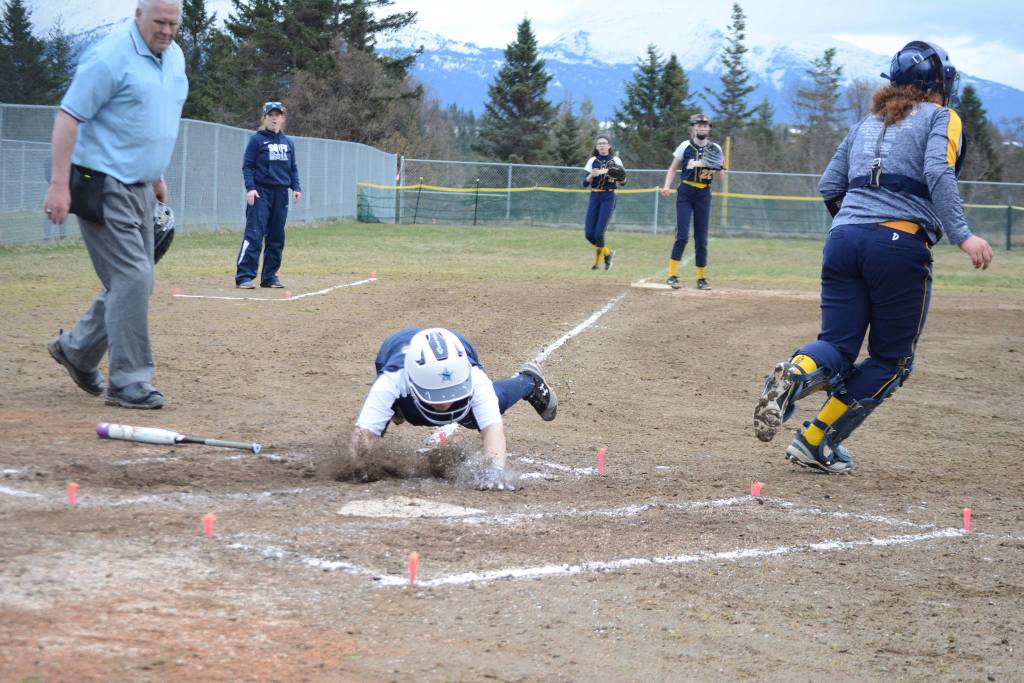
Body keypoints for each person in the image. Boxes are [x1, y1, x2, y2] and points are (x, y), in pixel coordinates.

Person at [753, 40, 994, 474]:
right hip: (898, 245)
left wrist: (856, 223)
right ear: (938, 84)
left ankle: (796, 373)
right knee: (891, 361)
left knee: (837, 346)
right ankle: (815, 440)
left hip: (843, 239)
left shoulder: (866, 122)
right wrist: (963, 235)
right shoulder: (944, 117)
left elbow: (830, 186)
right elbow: (939, 171)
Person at [42, 0, 188, 409]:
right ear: (137, 15)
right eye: (159, 22)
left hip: (140, 186)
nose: (166, 31)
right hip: (101, 183)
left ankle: (77, 350)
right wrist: (58, 184)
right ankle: (128, 382)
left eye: (173, 23)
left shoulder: (173, 56)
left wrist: (156, 174)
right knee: (134, 277)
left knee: (134, 279)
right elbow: (68, 117)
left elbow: (154, 118)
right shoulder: (109, 57)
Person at [350, 327, 558, 491]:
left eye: (451, 392)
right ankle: (397, 408)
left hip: (456, 350)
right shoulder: (392, 378)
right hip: (397, 349)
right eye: (436, 395)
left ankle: (529, 382)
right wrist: (359, 464)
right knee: (371, 444)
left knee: (483, 410)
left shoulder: (475, 378)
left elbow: (493, 431)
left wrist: (494, 472)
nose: (443, 403)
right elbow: (364, 433)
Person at [234, 101, 302, 289]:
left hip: (281, 195)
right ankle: (244, 276)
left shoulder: (288, 142)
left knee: (276, 237)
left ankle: (270, 277)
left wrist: (296, 188)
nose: (274, 118)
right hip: (261, 193)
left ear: (282, 118)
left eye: (277, 115)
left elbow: (293, 168)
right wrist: (250, 188)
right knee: (254, 234)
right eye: (270, 115)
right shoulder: (256, 140)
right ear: (264, 118)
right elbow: (247, 166)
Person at [660, 114, 725, 290]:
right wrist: (667, 186)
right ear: (693, 128)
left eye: (705, 126)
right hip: (686, 192)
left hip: (704, 194)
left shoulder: (715, 148)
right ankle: (672, 275)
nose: (702, 128)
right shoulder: (685, 145)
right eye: (698, 125)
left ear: (709, 128)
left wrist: (717, 166)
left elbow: (721, 179)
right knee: (682, 235)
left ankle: (701, 278)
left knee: (701, 238)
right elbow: (673, 168)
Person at [581, 135, 624, 271]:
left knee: (599, 233)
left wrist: (619, 176)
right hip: (594, 196)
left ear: (609, 146)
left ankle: (597, 265)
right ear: (596, 147)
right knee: (589, 234)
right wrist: (591, 175)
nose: (602, 146)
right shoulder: (592, 161)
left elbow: (624, 181)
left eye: (604, 143)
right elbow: (583, 183)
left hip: (608, 196)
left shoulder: (615, 160)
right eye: (599, 144)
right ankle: (608, 253)